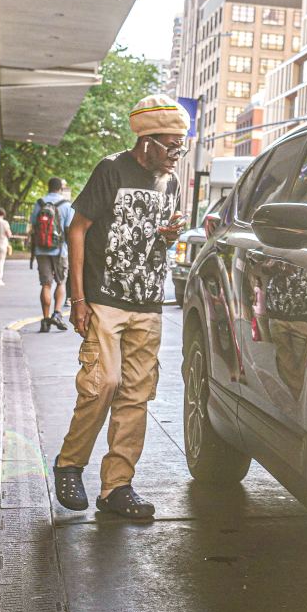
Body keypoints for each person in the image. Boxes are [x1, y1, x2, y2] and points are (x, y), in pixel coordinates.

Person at [52, 95, 188, 521]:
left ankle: (117, 487)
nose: (176, 156)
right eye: (170, 146)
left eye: (181, 147)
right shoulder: (112, 168)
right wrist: (77, 299)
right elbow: (78, 231)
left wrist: (167, 234)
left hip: (148, 303)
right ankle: (70, 465)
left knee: (136, 396)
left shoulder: (171, 181)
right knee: (102, 384)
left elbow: (156, 238)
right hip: (104, 300)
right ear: (146, 141)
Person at [30, 177, 74, 332]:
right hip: (60, 250)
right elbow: (69, 230)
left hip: (42, 250)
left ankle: (45, 318)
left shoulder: (39, 203)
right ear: (60, 188)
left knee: (46, 285)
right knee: (61, 282)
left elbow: (34, 226)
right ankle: (57, 313)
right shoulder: (67, 205)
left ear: (48, 187)